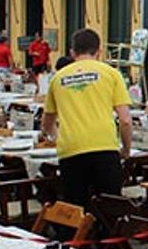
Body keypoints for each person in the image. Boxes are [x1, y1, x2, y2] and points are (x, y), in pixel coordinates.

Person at [40, 28, 133, 207]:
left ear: (72, 52)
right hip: (104, 147)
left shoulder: (58, 78)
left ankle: (78, 235)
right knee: (109, 208)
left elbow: (47, 122)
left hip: (71, 151)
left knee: (75, 209)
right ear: (99, 52)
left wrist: (58, 137)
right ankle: (107, 235)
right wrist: (126, 148)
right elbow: (125, 120)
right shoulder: (111, 73)